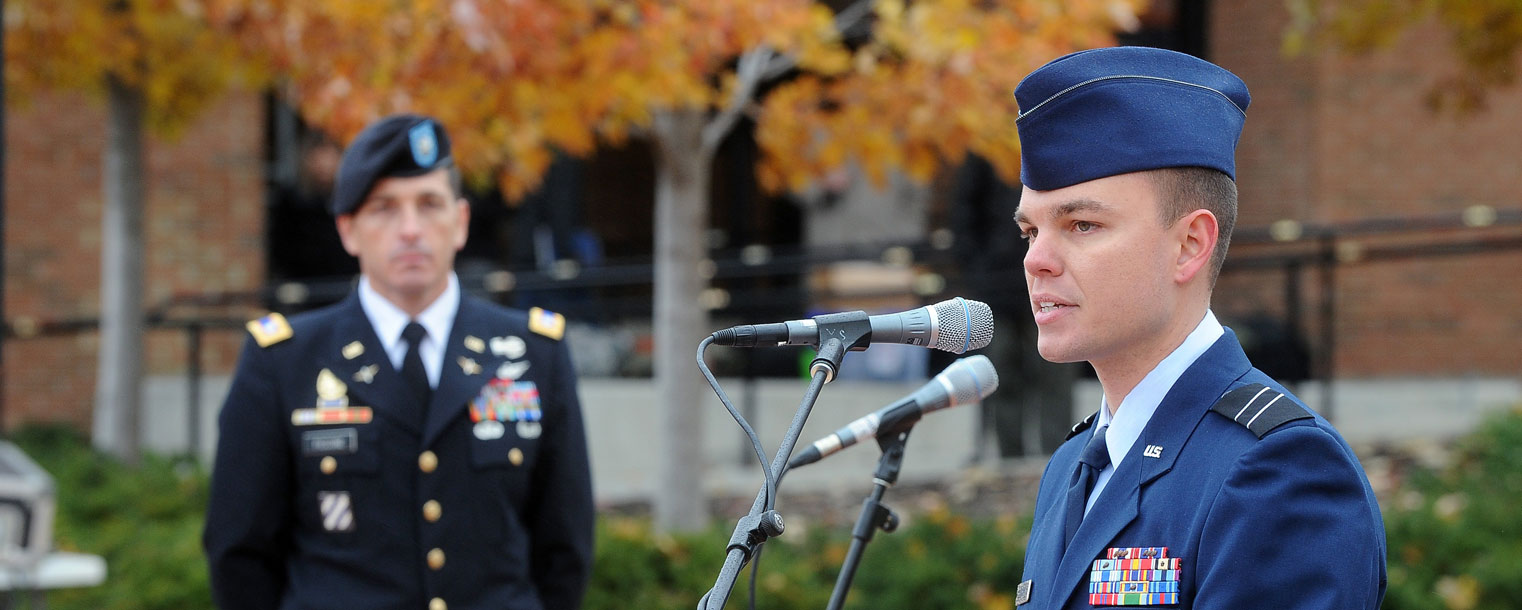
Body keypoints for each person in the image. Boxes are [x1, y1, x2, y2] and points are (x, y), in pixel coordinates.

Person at [1009, 47, 1386, 609]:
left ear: (1189, 246)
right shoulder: (1073, 466)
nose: (1037, 259)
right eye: (1029, 232)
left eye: (1081, 224)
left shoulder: (1279, 469)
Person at [204, 114, 594, 610]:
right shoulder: (284, 362)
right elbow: (239, 553)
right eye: (384, 209)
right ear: (348, 230)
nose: (410, 230)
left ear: (461, 222)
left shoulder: (533, 353)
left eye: (429, 204)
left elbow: (565, 550)